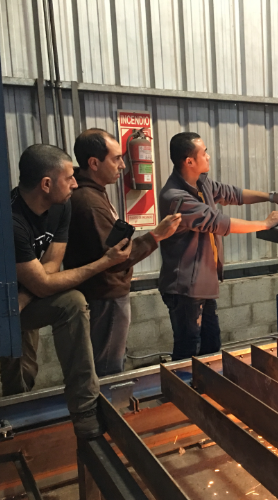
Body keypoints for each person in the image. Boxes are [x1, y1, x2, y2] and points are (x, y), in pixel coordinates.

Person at [2, 144, 132, 438]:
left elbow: (51, 264)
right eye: (69, 177)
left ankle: (85, 410)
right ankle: (15, 428)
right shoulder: (10, 221)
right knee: (17, 372)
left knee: (71, 302)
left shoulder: (61, 206)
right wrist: (105, 262)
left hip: (23, 296)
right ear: (46, 184)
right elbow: (43, 282)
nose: (75, 183)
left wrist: (29, 292)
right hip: (2, 302)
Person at [158, 132, 278, 360]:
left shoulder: (202, 183)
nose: (208, 156)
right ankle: (181, 382)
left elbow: (233, 194)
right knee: (188, 348)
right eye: (204, 153)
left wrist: (272, 197)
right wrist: (264, 224)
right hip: (186, 289)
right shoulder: (176, 197)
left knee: (211, 345)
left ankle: (205, 382)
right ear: (189, 161)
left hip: (203, 284)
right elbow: (219, 223)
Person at [63, 129, 182, 377]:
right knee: (108, 367)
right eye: (116, 158)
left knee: (109, 360)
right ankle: (108, 401)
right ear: (94, 163)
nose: (122, 165)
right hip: (105, 295)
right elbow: (115, 258)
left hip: (107, 294)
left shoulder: (94, 193)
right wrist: (155, 236)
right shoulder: (89, 202)